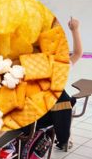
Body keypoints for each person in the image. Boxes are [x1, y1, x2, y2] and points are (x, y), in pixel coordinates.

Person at [36, 17, 83, 150]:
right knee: (65, 99)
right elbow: (78, 53)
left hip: (41, 117)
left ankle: (63, 137)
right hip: (41, 118)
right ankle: (63, 138)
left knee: (64, 99)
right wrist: (75, 30)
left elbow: (77, 54)